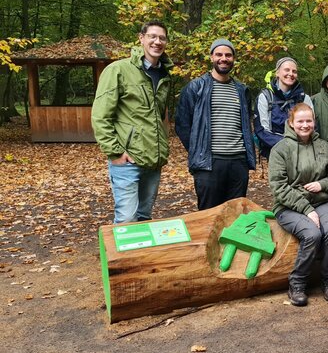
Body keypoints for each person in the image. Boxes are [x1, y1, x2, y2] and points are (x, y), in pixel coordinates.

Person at [91, 20, 173, 224]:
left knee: (144, 217)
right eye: (152, 36)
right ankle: (121, 257)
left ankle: (139, 256)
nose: (157, 42)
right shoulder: (118, 70)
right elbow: (100, 115)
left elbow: (157, 116)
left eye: (162, 38)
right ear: (141, 38)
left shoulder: (164, 75)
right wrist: (115, 152)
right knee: (127, 219)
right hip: (128, 160)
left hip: (153, 160)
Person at [268, 103, 328, 307]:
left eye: (309, 120)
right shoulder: (280, 150)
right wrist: (306, 209)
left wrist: (322, 184)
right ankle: (297, 283)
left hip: (322, 201)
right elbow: (279, 188)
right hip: (289, 207)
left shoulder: (325, 147)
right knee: (312, 234)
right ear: (291, 123)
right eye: (300, 121)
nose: (305, 125)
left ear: (314, 122)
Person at [175, 38, 256, 210]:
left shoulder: (242, 90)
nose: (223, 58)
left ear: (233, 59)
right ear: (211, 57)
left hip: (238, 161)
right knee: (209, 214)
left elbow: (246, 123)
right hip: (209, 163)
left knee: (236, 215)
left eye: (228, 55)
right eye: (219, 54)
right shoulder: (196, 87)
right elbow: (182, 124)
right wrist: (199, 149)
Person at [254, 57, 313, 158]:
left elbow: (312, 126)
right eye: (287, 70)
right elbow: (262, 130)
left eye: (294, 71)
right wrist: (288, 145)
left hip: (302, 153)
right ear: (277, 73)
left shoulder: (303, 98)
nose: (291, 74)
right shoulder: (266, 97)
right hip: (274, 152)